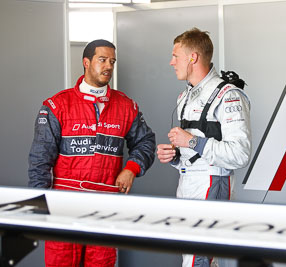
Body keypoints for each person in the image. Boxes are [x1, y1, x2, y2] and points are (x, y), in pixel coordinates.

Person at [28, 39, 156, 267]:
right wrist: (39, 208)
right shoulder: (57, 105)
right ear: (86, 62)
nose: (108, 66)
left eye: (112, 61)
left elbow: (146, 141)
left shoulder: (127, 106)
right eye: (102, 60)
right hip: (63, 207)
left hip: (105, 208)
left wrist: (131, 168)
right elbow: (40, 160)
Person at [157, 28, 251, 267]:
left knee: (198, 259)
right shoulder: (185, 97)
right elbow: (194, 152)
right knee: (194, 258)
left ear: (193, 57)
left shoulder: (229, 95)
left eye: (175, 56)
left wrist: (191, 141)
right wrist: (175, 156)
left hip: (213, 183)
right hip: (187, 182)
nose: (171, 62)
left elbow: (240, 155)